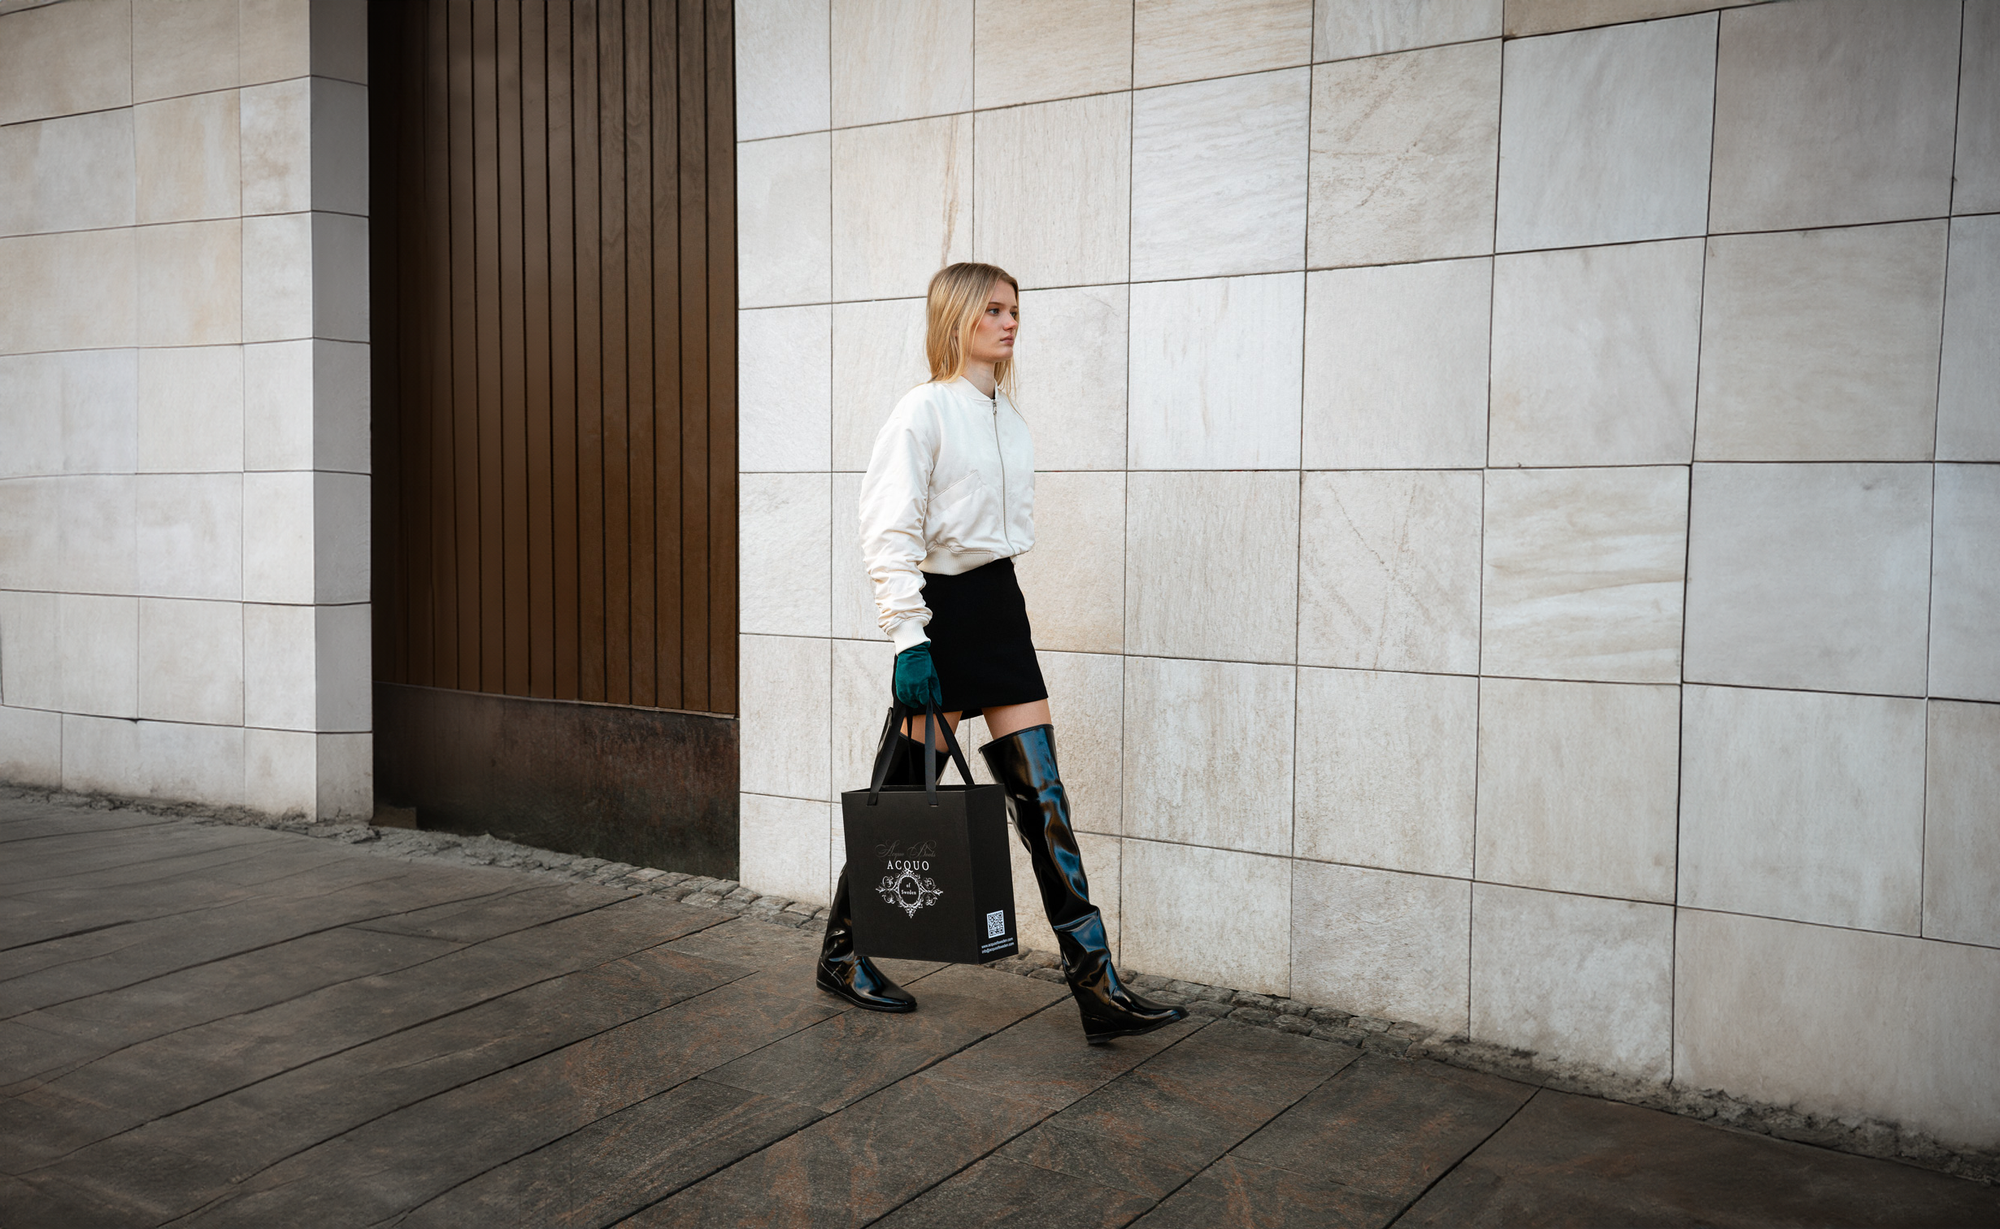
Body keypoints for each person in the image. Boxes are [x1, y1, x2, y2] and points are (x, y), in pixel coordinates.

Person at [814, 262, 1188, 1045]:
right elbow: (888, 533)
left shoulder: (1005, 414)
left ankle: (1098, 988)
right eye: (993, 309)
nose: (1010, 321)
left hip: (1000, 610)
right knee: (901, 800)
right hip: (941, 616)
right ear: (957, 317)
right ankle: (844, 951)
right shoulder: (923, 411)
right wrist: (908, 638)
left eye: (1015, 309)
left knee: (1045, 804)